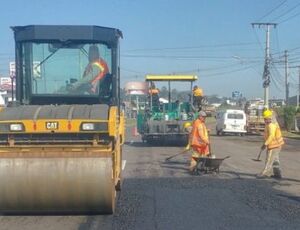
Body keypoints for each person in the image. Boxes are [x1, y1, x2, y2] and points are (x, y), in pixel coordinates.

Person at [257, 109, 284, 179]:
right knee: (275, 160)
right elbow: (267, 135)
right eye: (264, 119)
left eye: (266, 119)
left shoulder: (271, 125)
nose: (264, 120)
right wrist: (264, 142)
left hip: (274, 145)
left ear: (270, 118)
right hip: (277, 145)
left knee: (269, 160)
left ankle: (265, 173)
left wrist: (265, 144)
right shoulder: (269, 124)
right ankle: (278, 174)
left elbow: (271, 135)